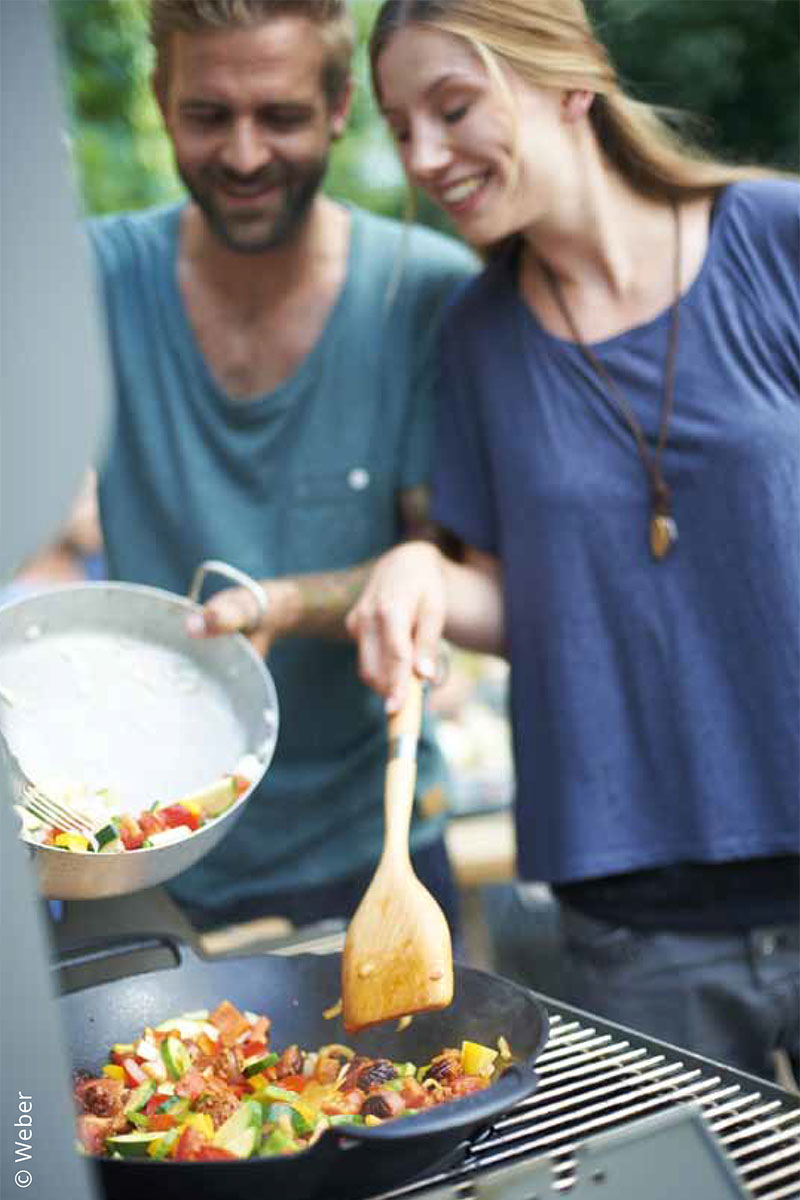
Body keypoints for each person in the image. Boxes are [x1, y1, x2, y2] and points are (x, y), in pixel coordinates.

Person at [347, 0, 800, 1079]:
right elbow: (538, 604)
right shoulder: (475, 336)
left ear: (569, 81)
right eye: (400, 127)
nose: (422, 156)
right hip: (631, 910)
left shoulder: (775, 236)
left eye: (452, 108)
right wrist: (422, 573)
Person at [85, 0, 476, 935]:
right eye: (209, 115)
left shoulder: (422, 294)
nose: (247, 155)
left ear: (342, 103)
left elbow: (446, 570)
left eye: (283, 116)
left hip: (374, 858)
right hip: (138, 849)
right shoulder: (88, 281)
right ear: (160, 98)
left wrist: (288, 600)